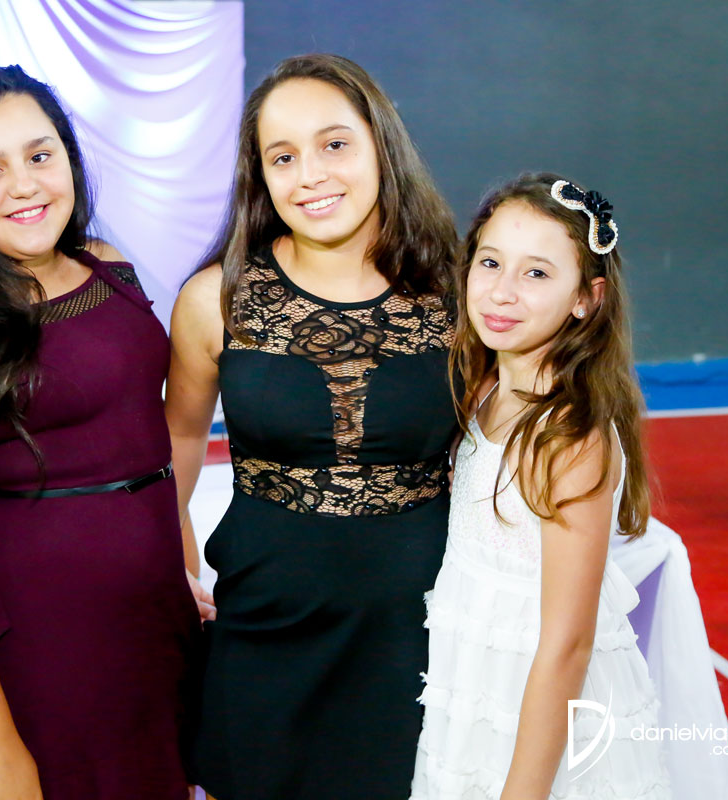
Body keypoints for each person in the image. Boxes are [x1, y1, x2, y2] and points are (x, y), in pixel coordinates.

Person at [0, 65, 200, 800]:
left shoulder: (106, 267)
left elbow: (145, 442)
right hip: (30, 654)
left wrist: (178, 570)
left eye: (40, 155)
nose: (25, 185)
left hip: (145, 630)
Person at [166, 54, 459, 800]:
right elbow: (177, 443)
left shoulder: (458, 293)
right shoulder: (215, 300)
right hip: (265, 634)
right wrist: (174, 561)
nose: (311, 175)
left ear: (381, 145)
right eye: (283, 156)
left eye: (334, 144)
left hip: (422, 636)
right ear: (259, 176)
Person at [409, 173, 670, 799]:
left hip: (540, 712)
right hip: (473, 689)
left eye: (536, 273)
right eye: (490, 262)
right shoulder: (485, 389)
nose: (502, 291)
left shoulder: (569, 437)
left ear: (586, 298)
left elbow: (567, 644)